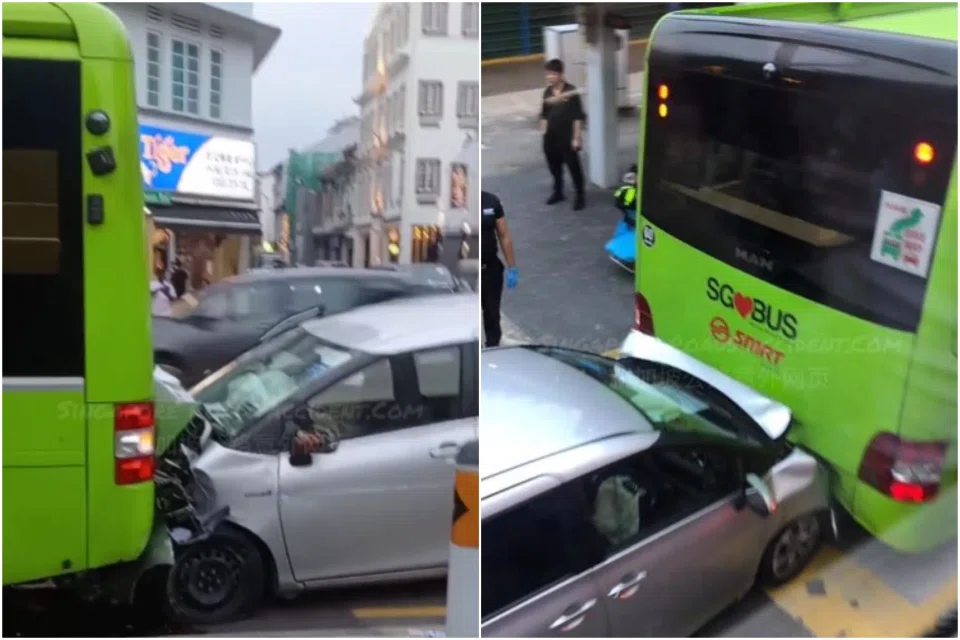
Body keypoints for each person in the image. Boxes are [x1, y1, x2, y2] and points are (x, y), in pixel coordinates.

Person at [540, 58, 587, 210]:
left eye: (552, 74)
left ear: (560, 74)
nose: (549, 77)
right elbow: (544, 114)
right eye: (548, 74)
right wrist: (543, 132)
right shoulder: (547, 92)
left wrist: (576, 137)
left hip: (567, 137)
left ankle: (580, 195)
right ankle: (558, 192)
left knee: (574, 167)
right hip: (550, 137)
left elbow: (577, 117)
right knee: (554, 167)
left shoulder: (571, 91)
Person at [481, 190, 518, 348]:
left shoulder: (491, 201)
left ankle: (492, 350)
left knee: (492, 315)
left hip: (490, 270)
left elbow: (504, 236)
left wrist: (512, 267)